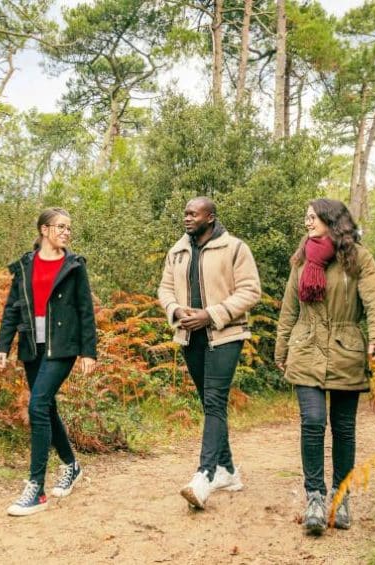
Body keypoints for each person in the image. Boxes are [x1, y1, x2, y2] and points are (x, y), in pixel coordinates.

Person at [274, 198, 375, 535]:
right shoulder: (301, 260)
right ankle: (315, 497)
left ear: (331, 220)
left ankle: (341, 497)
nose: (307, 223)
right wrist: (281, 348)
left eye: (312, 217)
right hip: (306, 349)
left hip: (346, 351)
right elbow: (289, 310)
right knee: (312, 421)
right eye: (306, 217)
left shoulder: (358, 258)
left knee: (343, 428)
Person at [157, 196, 261, 510]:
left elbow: (251, 290)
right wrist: (175, 310)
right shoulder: (177, 251)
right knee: (209, 402)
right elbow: (164, 289)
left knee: (215, 399)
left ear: (210, 217)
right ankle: (228, 471)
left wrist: (212, 313)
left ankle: (204, 476)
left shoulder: (235, 248)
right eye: (185, 213)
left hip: (226, 334)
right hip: (190, 336)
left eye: (193, 213)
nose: (187, 218)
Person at [0, 207, 98, 517]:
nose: (66, 232)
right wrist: (3, 345)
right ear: (43, 230)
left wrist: (89, 351)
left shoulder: (74, 266)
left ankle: (36, 489)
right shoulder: (25, 265)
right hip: (31, 345)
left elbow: (85, 310)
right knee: (47, 407)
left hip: (62, 347)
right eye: (60, 227)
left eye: (69, 228)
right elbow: (12, 308)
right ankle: (71, 465)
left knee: (37, 406)